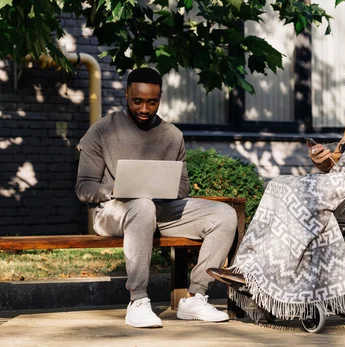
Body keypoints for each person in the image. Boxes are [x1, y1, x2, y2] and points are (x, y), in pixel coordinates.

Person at [207, 58, 345, 321]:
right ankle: (250, 269)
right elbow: (339, 158)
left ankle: (270, 276)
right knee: (278, 185)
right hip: (344, 182)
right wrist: (324, 158)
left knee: (294, 193)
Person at [76, 67, 237, 328]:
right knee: (141, 206)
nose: (144, 108)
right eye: (137, 100)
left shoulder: (172, 135)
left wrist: (162, 188)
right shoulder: (102, 131)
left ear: (160, 98)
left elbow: (183, 187)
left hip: (161, 210)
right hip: (112, 213)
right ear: (126, 94)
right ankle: (138, 300)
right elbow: (83, 187)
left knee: (223, 215)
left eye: (152, 102)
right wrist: (114, 190)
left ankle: (195, 297)